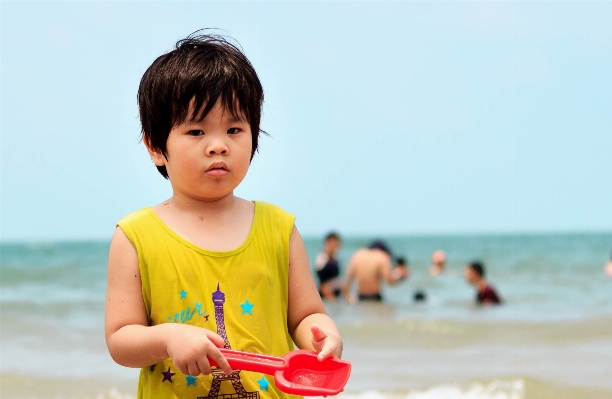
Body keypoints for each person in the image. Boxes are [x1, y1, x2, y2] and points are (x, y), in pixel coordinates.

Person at [104, 32, 343, 399]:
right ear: (155, 146)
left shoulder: (278, 228)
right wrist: (169, 337)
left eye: (234, 129)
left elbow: (305, 314)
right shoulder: (136, 236)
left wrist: (323, 332)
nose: (218, 144)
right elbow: (121, 339)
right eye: (196, 131)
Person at [342, 240, 406, 302]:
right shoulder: (381, 257)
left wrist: (348, 297)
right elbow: (389, 281)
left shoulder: (357, 255)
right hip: (375, 298)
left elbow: (347, 280)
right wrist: (401, 276)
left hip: (361, 298)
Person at [314, 232, 342, 301]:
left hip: (334, 289)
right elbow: (319, 277)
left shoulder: (336, 257)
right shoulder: (321, 258)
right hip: (324, 291)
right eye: (332, 243)